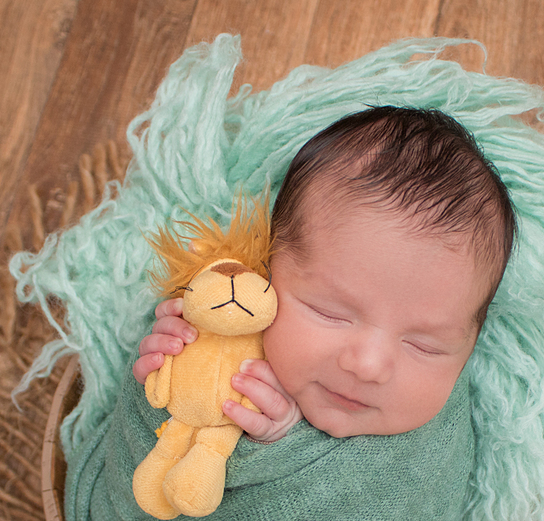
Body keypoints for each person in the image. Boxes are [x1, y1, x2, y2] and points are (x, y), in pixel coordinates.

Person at [131, 105, 516, 442]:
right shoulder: (228, 326)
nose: (368, 366)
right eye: (329, 313)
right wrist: (175, 369)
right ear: (266, 270)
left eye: (424, 346)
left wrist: (279, 443)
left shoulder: (434, 440)